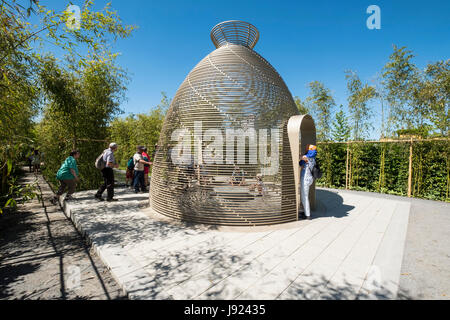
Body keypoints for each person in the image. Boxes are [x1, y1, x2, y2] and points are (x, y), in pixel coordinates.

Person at [299, 144, 317, 220]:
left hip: (305, 179)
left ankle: (307, 215)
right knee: (305, 196)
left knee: (304, 197)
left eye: (307, 148)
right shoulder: (313, 158)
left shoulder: (307, 157)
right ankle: (306, 212)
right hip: (310, 179)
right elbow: (301, 163)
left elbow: (300, 161)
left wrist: (300, 156)